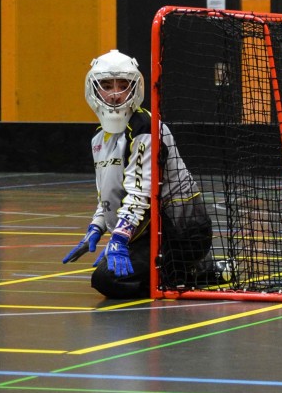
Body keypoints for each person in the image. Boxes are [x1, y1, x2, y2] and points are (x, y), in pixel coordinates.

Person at [62, 50, 214, 298]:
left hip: (181, 233)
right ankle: (185, 269)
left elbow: (139, 192)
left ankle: (196, 269)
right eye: (106, 86)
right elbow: (109, 193)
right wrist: (97, 226)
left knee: (106, 280)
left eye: (123, 86)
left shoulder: (145, 127)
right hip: (145, 231)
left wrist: (120, 238)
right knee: (108, 276)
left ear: (135, 89)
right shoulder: (99, 139)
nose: (114, 94)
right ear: (94, 89)